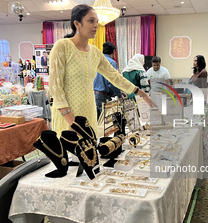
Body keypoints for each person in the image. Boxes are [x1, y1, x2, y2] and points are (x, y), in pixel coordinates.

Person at [49, 4, 155, 136]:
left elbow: (115, 76)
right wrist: (72, 121)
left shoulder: (95, 52)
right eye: (91, 21)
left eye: (97, 22)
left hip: (89, 113)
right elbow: (55, 87)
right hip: (68, 116)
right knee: (70, 154)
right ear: (77, 23)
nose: (96, 25)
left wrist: (141, 93)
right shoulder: (62, 46)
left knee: (90, 154)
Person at [93, 42, 124, 119]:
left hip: (94, 95)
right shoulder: (111, 62)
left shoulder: (97, 60)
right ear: (113, 51)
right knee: (106, 125)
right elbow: (112, 82)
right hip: (104, 97)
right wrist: (119, 95)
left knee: (97, 123)